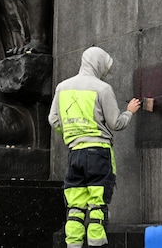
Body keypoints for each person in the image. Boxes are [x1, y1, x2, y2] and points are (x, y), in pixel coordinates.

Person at [48, 47, 142, 248]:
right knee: (97, 207)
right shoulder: (102, 88)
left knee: (75, 208)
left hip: (74, 154)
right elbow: (116, 123)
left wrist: (71, 135)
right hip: (99, 154)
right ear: (98, 64)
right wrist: (130, 112)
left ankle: (72, 246)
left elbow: (53, 120)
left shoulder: (62, 87)